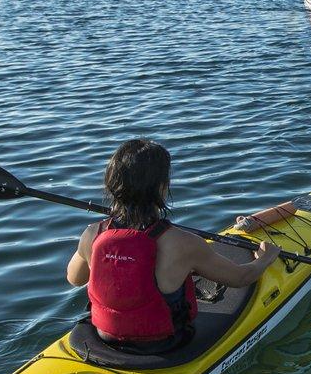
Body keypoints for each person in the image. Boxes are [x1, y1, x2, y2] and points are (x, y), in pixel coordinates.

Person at [66, 139, 279, 351]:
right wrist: (265, 258)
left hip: (105, 337)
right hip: (162, 345)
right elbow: (241, 278)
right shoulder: (182, 243)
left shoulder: (92, 234)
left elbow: (74, 279)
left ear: (111, 184)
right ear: (162, 187)